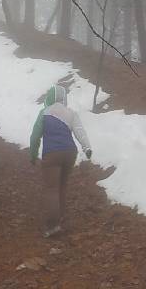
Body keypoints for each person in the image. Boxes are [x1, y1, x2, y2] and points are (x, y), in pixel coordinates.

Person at [29, 84, 93, 238]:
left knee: (52, 189)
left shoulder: (44, 112)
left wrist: (33, 154)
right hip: (70, 153)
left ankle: (53, 226)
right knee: (62, 187)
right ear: (64, 98)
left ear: (50, 97)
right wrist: (87, 148)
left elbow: (35, 135)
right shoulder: (71, 113)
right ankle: (61, 218)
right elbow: (80, 131)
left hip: (52, 154)